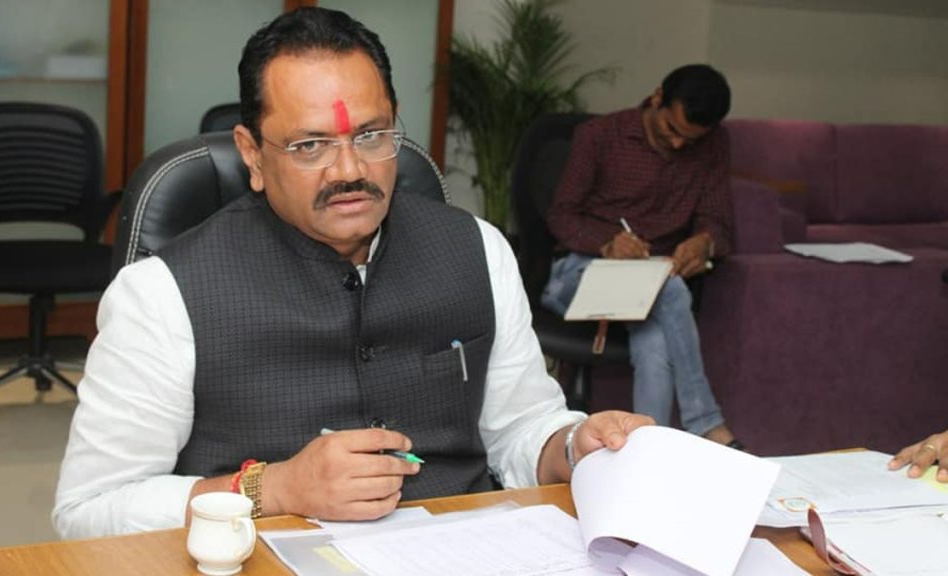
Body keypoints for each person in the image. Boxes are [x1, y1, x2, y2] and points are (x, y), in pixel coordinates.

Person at [53, 7, 652, 539]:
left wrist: (573, 446)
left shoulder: (479, 250)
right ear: (252, 154)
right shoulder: (162, 293)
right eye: (310, 145)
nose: (348, 171)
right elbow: (89, 509)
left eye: (370, 135)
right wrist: (273, 489)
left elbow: (520, 429)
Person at [542, 64, 741, 449]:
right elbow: (561, 216)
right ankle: (705, 421)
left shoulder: (714, 145)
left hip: (650, 286)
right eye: (672, 129)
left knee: (655, 343)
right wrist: (607, 242)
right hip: (580, 274)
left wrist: (705, 243)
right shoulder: (600, 136)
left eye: (690, 139)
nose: (679, 144)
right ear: (657, 97)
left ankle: (649, 447)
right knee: (672, 289)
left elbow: (717, 223)